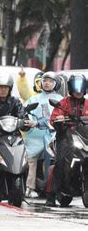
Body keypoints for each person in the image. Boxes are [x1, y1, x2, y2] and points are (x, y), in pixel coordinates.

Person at [46, 74, 88, 206]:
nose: (78, 90)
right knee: (60, 162)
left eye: (81, 86)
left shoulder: (87, 103)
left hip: (84, 137)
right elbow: (54, 118)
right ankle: (51, 195)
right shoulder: (63, 103)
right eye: (75, 86)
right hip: (66, 137)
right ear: (70, 87)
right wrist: (59, 120)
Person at [23, 72, 63, 198]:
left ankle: (58, 187)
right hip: (36, 135)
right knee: (31, 159)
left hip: (55, 134)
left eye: (50, 81)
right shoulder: (34, 99)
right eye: (45, 80)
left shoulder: (61, 99)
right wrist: (30, 121)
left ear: (56, 84)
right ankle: (29, 186)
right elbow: (26, 112)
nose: (47, 83)